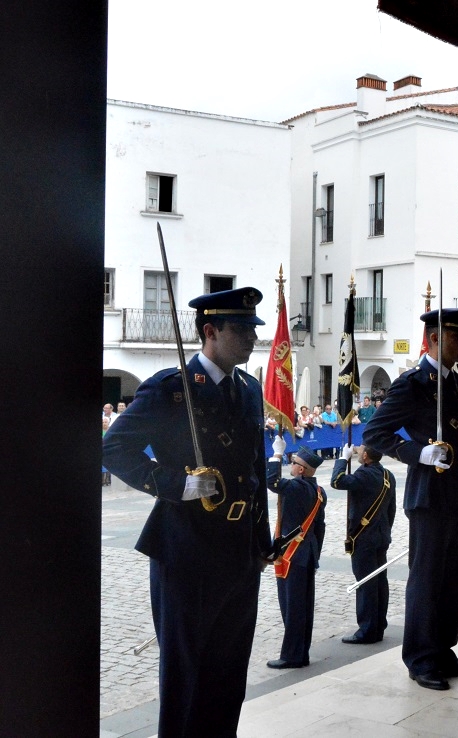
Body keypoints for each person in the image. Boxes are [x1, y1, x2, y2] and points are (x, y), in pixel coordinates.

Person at [101, 286, 273, 738]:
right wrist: (176, 484)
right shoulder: (171, 390)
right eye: (240, 329)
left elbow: (255, 469)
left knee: (229, 672)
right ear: (210, 331)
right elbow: (113, 448)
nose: (251, 338)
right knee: (188, 675)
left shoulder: (250, 389)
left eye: (253, 329)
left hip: (239, 552)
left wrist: (262, 542)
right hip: (188, 549)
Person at [364, 307, 458, 691]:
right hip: (430, 494)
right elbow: (375, 433)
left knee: (452, 577)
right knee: (427, 580)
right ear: (433, 339)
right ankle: (420, 657)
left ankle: (443, 649)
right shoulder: (414, 383)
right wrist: (418, 453)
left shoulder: (456, 381)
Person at [331, 433, 397, 644]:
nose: (358, 451)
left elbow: (337, 481)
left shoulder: (364, 475)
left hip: (364, 538)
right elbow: (391, 510)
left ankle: (367, 630)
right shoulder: (388, 475)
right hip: (381, 536)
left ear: (367, 456)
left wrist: (342, 459)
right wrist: (384, 530)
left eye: (360, 449)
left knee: (366, 583)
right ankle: (378, 624)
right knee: (379, 582)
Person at [265, 443, 326, 669]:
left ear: (302, 470)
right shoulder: (319, 491)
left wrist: (276, 454)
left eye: (293, 463)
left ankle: (292, 656)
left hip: (292, 557)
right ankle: (301, 652)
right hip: (306, 555)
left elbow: (271, 481)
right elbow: (320, 527)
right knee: (303, 608)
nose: (290, 466)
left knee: (292, 608)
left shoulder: (297, 488)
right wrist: (314, 554)